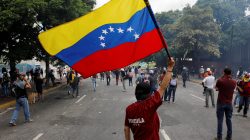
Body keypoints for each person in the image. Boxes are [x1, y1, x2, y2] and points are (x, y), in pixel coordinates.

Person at [124, 58, 174, 140]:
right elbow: (163, 87)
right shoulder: (150, 104)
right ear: (149, 94)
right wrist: (170, 68)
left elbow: (126, 128)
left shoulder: (129, 109)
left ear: (136, 94)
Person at [214, 68, 236, 140]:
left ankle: (219, 137)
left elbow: (216, 88)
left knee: (220, 120)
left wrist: (222, 77)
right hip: (229, 103)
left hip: (221, 102)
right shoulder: (234, 82)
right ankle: (229, 137)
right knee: (229, 120)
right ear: (230, 73)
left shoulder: (220, 80)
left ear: (224, 72)